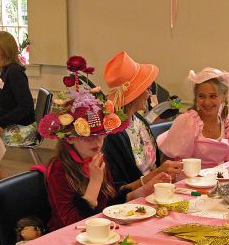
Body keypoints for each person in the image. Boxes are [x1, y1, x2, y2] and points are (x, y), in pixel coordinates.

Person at [38, 55, 168, 231]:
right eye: (88, 136)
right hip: (66, 239)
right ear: (70, 137)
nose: (98, 142)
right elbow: (71, 224)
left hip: (99, 233)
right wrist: (95, 183)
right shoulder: (60, 169)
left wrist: (142, 191)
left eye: (101, 135)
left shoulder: (96, 157)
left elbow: (111, 204)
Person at [103, 51, 183, 192]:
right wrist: (156, 174)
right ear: (134, 95)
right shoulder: (112, 134)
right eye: (147, 89)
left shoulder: (138, 120)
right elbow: (118, 191)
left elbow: (154, 166)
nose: (149, 94)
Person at [157, 67, 229, 169]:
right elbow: (167, 160)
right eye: (201, 96)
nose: (207, 102)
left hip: (216, 179)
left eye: (213, 96)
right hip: (186, 179)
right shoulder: (187, 121)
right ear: (196, 97)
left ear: (223, 97)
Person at [0, 31, 36, 146]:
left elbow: (26, 106)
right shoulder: (3, 70)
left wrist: (0, 124)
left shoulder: (14, 72)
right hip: (10, 122)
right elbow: (0, 102)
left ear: (4, 49)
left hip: (22, 126)